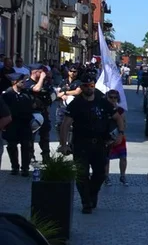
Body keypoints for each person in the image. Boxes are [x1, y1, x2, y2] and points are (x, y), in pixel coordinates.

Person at [57, 74, 123, 214]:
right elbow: (65, 124)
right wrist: (64, 144)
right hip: (81, 144)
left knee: (100, 174)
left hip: (100, 144)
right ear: (81, 87)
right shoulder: (76, 103)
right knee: (82, 174)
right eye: (86, 85)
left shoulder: (102, 102)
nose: (89, 88)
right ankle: (86, 202)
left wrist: (120, 134)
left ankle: (92, 194)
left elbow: (118, 118)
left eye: (91, 85)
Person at [2, 72, 33, 176]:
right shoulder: (7, 94)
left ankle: (25, 168)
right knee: (12, 146)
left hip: (25, 123)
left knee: (26, 146)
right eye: (21, 81)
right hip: (12, 124)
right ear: (14, 82)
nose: (24, 83)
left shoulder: (27, 93)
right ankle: (15, 167)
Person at [27, 65, 53, 162]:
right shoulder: (27, 82)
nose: (44, 74)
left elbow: (50, 95)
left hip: (43, 112)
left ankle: (46, 156)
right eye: (41, 72)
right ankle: (30, 156)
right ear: (35, 72)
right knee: (31, 137)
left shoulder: (44, 83)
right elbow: (36, 89)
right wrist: (41, 78)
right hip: (32, 114)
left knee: (45, 136)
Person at [104, 89, 128, 186]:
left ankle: (123, 176)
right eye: (111, 97)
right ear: (107, 98)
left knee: (123, 157)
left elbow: (124, 123)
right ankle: (106, 177)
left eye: (115, 97)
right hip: (107, 137)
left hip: (118, 136)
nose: (113, 99)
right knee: (106, 158)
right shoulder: (104, 109)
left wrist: (121, 134)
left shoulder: (120, 110)